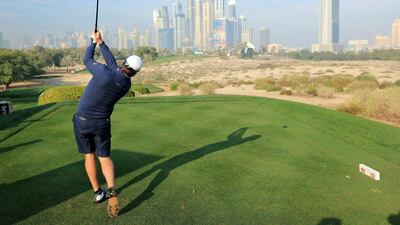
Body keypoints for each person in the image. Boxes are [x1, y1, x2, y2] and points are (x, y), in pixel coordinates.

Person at [72, 32, 143, 218]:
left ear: (124, 63)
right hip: (101, 124)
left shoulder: (103, 72)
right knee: (104, 157)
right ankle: (111, 191)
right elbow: (114, 66)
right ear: (135, 72)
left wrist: (92, 43)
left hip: (81, 121)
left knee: (89, 155)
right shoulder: (125, 83)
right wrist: (101, 42)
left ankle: (98, 193)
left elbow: (86, 58)